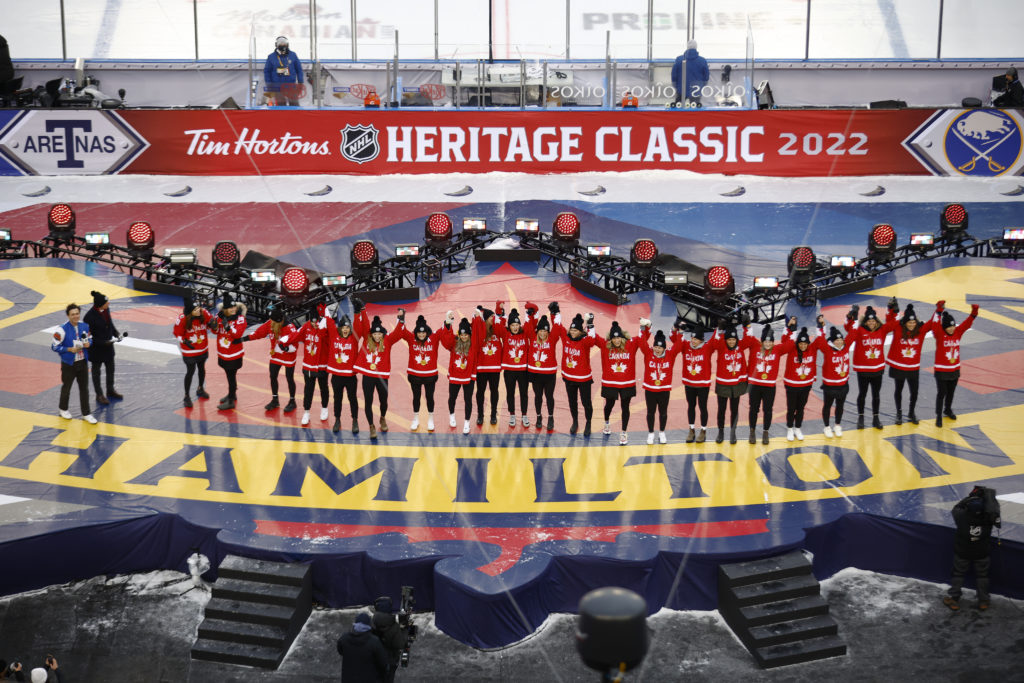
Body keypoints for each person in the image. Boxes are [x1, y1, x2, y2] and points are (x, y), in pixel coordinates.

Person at [594, 319, 650, 446]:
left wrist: (644, 326)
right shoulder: (605, 345)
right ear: (611, 339)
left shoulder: (631, 344)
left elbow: (643, 339)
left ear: (622, 337)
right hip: (610, 382)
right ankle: (607, 423)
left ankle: (624, 432)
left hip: (627, 383)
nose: (617, 341)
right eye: (614, 339)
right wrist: (590, 323)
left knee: (625, 407)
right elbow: (594, 338)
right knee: (609, 405)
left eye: (619, 338)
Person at [944, 486, 1001, 611]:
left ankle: (954, 599)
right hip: (981, 552)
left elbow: (957, 507)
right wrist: (989, 498)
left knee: (958, 574)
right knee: (982, 576)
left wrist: (970, 498)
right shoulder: (988, 517)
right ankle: (984, 601)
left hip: (963, 551)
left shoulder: (961, 516)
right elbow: (996, 515)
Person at [354, 305, 406, 438]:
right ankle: (371, 426)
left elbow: (398, 333)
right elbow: (365, 324)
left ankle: (382, 418)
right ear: (372, 334)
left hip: (382, 376)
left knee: (384, 401)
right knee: (368, 401)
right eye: (375, 333)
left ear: (383, 333)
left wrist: (401, 319)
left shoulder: (387, 341)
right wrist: (362, 310)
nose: (377, 336)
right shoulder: (367, 339)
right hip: (368, 376)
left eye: (379, 333)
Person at [844, 303, 897, 430]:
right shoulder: (860, 330)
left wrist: (893, 310)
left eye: (873, 321)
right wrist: (851, 316)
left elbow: (894, 324)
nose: (872, 323)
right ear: (865, 322)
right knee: (862, 393)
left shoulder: (882, 330)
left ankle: (875, 417)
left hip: (877, 368)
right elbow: (848, 328)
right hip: (863, 369)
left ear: (876, 321)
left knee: (876, 394)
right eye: (869, 321)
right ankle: (861, 416)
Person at [742, 323, 793, 444]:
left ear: (773, 342)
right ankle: (752, 431)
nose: (768, 344)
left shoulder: (777, 349)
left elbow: (790, 344)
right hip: (754, 385)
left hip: (769, 387)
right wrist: (747, 325)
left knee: (768, 410)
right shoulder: (755, 346)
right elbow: (749, 336)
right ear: (762, 341)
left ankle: (765, 431)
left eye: (770, 342)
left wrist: (791, 329)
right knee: (753, 409)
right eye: (766, 342)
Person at [241, 304, 298, 413]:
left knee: (289, 378)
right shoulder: (271, 322)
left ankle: (292, 401)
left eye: (273, 322)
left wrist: (285, 348)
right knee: (273, 376)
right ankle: (275, 399)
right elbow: (258, 333)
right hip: (276, 355)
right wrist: (243, 339)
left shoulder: (290, 328)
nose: (271, 324)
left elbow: (295, 347)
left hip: (288, 356)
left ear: (280, 321)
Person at [931, 300, 979, 428]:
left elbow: (966, 324)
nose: (951, 328)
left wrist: (974, 313)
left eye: (953, 326)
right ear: (944, 327)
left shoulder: (958, 332)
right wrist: (939, 311)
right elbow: (935, 324)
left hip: (954, 369)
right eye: (949, 327)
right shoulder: (940, 334)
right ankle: (938, 416)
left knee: (951, 392)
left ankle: (947, 409)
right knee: (941, 393)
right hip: (942, 371)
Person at [885, 303, 931, 426]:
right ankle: (899, 413)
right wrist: (892, 310)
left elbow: (932, 323)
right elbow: (890, 322)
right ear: (904, 323)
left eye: (913, 323)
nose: (911, 325)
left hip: (912, 368)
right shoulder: (898, 328)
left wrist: (938, 311)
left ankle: (911, 412)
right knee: (898, 390)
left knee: (914, 392)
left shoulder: (920, 331)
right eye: (909, 323)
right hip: (898, 366)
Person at [286, 303, 330, 426]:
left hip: (322, 365)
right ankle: (306, 412)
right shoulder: (306, 327)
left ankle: (324, 408)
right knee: (308, 390)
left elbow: (327, 337)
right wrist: (283, 341)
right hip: (309, 366)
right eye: (312, 321)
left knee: (323, 388)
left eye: (316, 321)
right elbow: (295, 336)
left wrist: (322, 326)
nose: (314, 324)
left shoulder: (324, 329)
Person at [51, 303, 96, 424]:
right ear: (68, 315)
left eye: (77, 314)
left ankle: (86, 413)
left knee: (84, 389)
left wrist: (89, 344)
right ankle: (63, 409)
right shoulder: (61, 330)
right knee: (67, 387)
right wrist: (68, 349)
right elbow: (54, 346)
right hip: (68, 364)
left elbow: (90, 339)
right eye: (73, 314)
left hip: (82, 362)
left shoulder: (85, 326)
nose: (75, 316)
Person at [781, 316, 824, 442]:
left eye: (805, 344)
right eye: (801, 343)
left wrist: (820, 326)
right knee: (791, 408)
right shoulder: (792, 349)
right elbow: (785, 340)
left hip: (805, 385)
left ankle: (797, 428)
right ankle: (789, 428)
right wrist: (790, 328)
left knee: (801, 408)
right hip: (792, 385)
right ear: (797, 343)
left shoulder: (812, 349)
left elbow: (820, 339)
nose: (803, 346)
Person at [493, 302, 536, 427]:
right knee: (510, 392)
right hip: (509, 371)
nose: (515, 327)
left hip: (523, 370)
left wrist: (530, 313)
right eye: (513, 325)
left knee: (524, 393)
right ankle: (512, 414)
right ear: (509, 326)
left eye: (517, 324)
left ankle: (524, 415)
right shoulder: (505, 334)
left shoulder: (525, 333)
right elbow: (496, 326)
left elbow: (530, 326)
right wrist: (498, 309)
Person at [671, 321, 713, 444]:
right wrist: (677, 329)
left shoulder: (707, 348)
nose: (693, 341)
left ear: (701, 340)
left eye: (696, 339)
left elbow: (717, 341)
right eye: (692, 338)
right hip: (689, 383)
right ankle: (691, 429)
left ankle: (703, 430)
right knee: (691, 406)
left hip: (703, 384)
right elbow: (674, 340)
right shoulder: (686, 346)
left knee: (703, 407)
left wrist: (718, 329)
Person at [557, 312, 598, 436]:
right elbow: (558, 326)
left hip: (583, 378)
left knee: (586, 402)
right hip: (569, 377)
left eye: (576, 330)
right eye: (572, 330)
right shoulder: (566, 338)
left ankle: (588, 422)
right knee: (572, 401)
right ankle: (575, 421)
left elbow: (592, 340)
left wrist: (590, 325)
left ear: (581, 332)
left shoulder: (585, 341)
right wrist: (556, 312)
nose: (573, 332)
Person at [639, 328, 683, 444]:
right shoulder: (648, 353)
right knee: (650, 412)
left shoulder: (670, 354)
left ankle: (662, 432)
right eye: (656, 347)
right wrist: (644, 329)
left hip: (664, 389)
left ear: (664, 348)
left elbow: (678, 346)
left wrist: (680, 332)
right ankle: (651, 433)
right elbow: (642, 342)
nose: (657, 350)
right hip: (650, 389)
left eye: (660, 347)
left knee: (663, 412)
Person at [440, 314, 480, 434]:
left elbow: (479, 332)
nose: (463, 337)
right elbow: (445, 340)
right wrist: (448, 322)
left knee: (468, 400)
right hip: (455, 375)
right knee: (452, 398)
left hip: (468, 377)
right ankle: (452, 415)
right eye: (461, 335)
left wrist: (476, 318)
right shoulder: (454, 342)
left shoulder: (474, 344)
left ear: (469, 334)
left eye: (466, 334)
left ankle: (467, 422)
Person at [401, 314, 441, 431]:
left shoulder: (433, 338)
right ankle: (416, 418)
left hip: (430, 376)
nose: (421, 334)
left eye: (423, 333)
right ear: (416, 333)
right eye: (419, 332)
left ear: (427, 332)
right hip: (415, 376)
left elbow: (442, 331)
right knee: (416, 397)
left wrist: (448, 321)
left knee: (430, 397)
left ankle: (431, 419)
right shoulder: (411, 338)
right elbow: (402, 331)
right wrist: (401, 318)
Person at [709, 322, 748, 444]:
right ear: (726, 340)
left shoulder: (740, 347)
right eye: (729, 340)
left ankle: (733, 432)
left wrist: (747, 326)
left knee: (734, 410)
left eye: (733, 339)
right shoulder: (721, 347)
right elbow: (714, 343)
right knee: (722, 409)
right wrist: (719, 329)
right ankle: (721, 431)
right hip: (723, 384)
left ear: (737, 339)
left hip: (736, 384)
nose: (731, 342)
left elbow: (750, 339)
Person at [526, 305, 563, 431]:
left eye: (545, 331)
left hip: (549, 374)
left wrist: (555, 313)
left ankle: (551, 417)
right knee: (538, 396)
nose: (542, 333)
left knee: (549, 396)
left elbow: (557, 327)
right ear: (537, 331)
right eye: (540, 331)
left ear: (548, 332)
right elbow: (527, 327)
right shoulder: (532, 337)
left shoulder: (552, 339)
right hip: (535, 374)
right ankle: (538, 417)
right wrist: (529, 314)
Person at [83, 290, 122, 406]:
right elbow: (88, 337)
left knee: (111, 370)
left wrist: (117, 333)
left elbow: (110, 324)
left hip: (109, 347)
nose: (108, 303)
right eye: (106, 302)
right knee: (96, 372)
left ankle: (110, 390)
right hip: (96, 350)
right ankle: (99, 394)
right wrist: (103, 342)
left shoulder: (106, 310)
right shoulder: (88, 318)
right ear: (100, 304)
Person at [323, 311, 360, 434]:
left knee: (352, 398)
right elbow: (329, 322)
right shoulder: (334, 336)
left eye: (348, 327)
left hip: (350, 377)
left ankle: (355, 420)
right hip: (337, 376)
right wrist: (325, 311)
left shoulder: (354, 339)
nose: (345, 330)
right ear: (340, 328)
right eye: (343, 327)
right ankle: (337, 420)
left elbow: (360, 326)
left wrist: (358, 313)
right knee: (337, 398)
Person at [173, 295, 212, 408]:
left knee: (202, 369)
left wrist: (212, 324)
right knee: (190, 371)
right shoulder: (182, 318)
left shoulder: (203, 313)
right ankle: (186, 396)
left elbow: (212, 323)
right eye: (195, 310)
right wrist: (184, 341)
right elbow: (177, 334)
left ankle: (200, 388)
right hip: (189, 351)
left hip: (202, 348)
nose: (199, 310)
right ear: (190, 312)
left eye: (198, 308)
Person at [210, 293, 247, 411]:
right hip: (223, 353)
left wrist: (225, 323)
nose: (233, 309)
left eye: (234, 307)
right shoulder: (219, 316)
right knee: (229, 376)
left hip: (234, 354)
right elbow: (215, 331)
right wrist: (215, 323)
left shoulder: (240, 319)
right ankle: (232, 394)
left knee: (231, 376)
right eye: (230, 308)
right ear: (225, 309)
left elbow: (237, 334)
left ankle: (231, 400)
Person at [819, 326, 852, 438]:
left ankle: (837, 425)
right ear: (832, 341)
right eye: (836, 340)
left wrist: (854, 319)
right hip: (830, 385)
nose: (839, 342)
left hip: (843, 384)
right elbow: (820, 340)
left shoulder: (846, 347)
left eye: (840, 340)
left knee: (840, 406)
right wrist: (821, 327)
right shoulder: (827, 349)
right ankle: (827, 426)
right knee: (827, 406)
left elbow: (853, 333)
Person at [337, 611, 388, 682]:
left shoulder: (344, 638)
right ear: (368, 625)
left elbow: (340, 651)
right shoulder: (374, 641)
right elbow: (383, 663)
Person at [474, 307, 503, 427]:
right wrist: (477, 316)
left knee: (494, 391)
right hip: (481, 367)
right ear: (485, 319)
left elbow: (503, 326)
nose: (493, 318)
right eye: (491, 317)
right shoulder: (479, 331)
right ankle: (480, 415)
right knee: (480, 391)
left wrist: (499, 311)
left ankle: (493, 414)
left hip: (494, 367)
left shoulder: (496, 330)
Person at [371, 597, 408, 683]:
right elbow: (400, 644)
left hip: (374, 660)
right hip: (390, 661)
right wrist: (404, 631)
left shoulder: (372, 622)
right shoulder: (393, 626)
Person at [263, 36, 304, 106]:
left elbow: (299, 70)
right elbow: (267, 71)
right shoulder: (271, 57)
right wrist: (269, 84)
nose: (283, 46)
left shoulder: (293, 55)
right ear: (276, 45)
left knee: (294, 105)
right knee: (281, 105)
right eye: (280, 44)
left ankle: (295, 116)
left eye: (284, 44)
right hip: (277, 86)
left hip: (291, 86)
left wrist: (300, 82)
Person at [671, 39, 709, 107]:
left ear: (687, 47)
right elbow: (706, 76)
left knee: (678, 108)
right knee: (695, 109)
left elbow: (674, 75)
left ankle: (677, 117)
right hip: (696, 89)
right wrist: (702, 85)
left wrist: (675, 85)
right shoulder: (702, 61)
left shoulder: (679, 59)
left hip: (681, 89)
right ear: (696, 47)